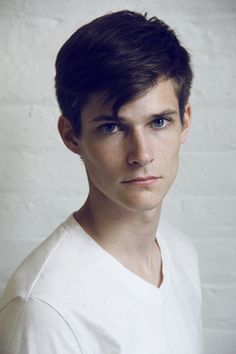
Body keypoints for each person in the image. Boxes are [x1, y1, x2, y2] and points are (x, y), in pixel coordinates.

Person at [0, 10, 203, 354]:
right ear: (71, 135)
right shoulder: (45, 308)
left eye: (158, 122)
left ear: (185, 121)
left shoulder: (182, 253)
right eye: (112, 127)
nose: (141, 154)